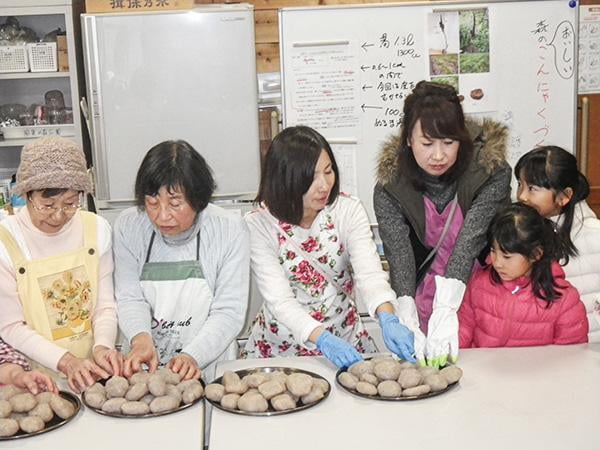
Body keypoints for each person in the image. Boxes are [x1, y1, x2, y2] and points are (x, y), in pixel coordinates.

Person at [242, 126, 416, 369]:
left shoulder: (347, 210)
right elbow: (279, 300)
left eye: (328, 171)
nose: (324, 185)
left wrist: (387, 315)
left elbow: (370, 274)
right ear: (285, 179)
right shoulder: (260, 224)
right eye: (311, 177)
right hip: (280, 347)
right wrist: (321, 338)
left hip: (345, 338)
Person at [374, 80, 511, 367]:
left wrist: (447, 308)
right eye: (427, 143)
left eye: (449, 142)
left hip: (484, 292)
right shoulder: (391, 186)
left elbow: (470, 240)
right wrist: (406, 310)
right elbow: (399, 255)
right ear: (408, 140)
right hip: (425, 294)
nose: (438, 155)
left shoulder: (488, 171)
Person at [113, 140, 249, 381]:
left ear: (198, 199)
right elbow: (130, 297)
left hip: (207, 363)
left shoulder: (228, 229)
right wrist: (140, 337)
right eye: (152, 202)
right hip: (145, 366)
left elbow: (228, 311)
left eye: (175, 204)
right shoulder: (129, 226)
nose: (162, 215)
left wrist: (192, 356)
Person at [0, 137, 121, 392]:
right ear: (26, 194)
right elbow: (10, 326)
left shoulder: (96, 229)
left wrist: (104, 346)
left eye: (69, 204)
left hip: (93, 371)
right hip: (34, 379)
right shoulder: (6, 241)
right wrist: (65, 361)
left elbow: (105, 306)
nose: (58, 216)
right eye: (46, 205)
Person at [458, 203, 588, 347]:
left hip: (540, 369)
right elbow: (464, 328)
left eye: (506, 256)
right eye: (493, 250)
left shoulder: (564, 300)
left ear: (535, 254)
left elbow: (572, 355)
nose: (497, 263)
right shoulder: (479, 283)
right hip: (484, 367)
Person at [515, 145, 600, 342]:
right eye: (520, 184)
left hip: (590, 351)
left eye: (532, 189)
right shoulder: (522, 232)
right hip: (542, 351)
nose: (522, 196)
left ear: (564, 196)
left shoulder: (595, 235)